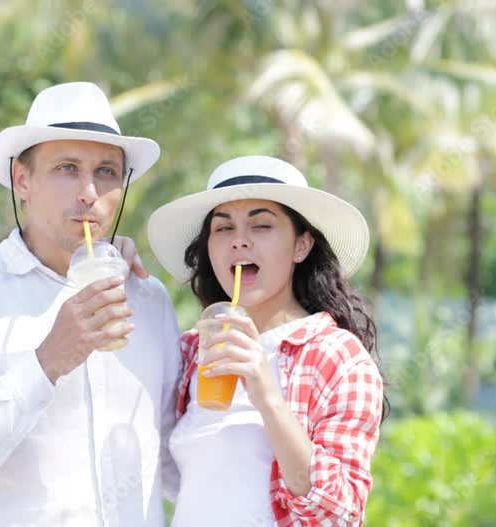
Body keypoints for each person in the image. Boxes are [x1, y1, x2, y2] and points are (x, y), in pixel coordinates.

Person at [0, 82, 181, 526]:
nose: (89, 191)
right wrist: (46, 362)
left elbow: (175, 464)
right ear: (22, 180)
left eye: (107, 171)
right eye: (67, 168)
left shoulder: (147, 298)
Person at [147, 155, 388, 526]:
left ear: (301, 246)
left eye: (261, 225)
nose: (239, 241)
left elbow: (339, 513)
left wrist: (266, 393)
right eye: (223, 229)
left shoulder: (338, 358)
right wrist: (118, 266)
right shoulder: (192, 350)